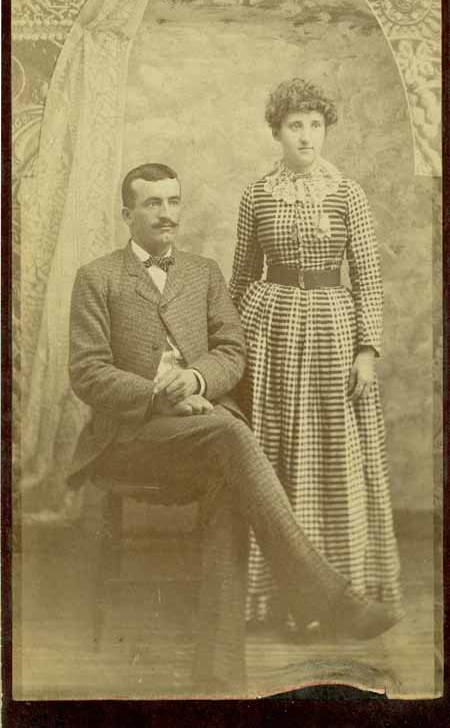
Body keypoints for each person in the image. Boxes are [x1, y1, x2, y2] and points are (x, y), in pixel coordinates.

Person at [67, 161, 399, 696]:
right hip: (130, 439)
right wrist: (157, 392)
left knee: (228, 472)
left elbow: (232, 351)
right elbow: (86, 371)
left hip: (201, 432)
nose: (166, 213)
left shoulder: (204, 272)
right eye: (152, 203)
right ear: (127, 213)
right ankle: (322, 593)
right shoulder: (97, 277)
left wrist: (197, 379)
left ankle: (218, 675)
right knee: (231, 435)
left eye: (174, 201)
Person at [229, 78, 403, 637]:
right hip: (269, 333)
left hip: (333, 330)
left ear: (325, 130)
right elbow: (238, 278)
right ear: (277, 131)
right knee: (274, 458)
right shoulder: (257, 194)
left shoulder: (346, 192)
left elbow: (370, 281)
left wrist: (368, 350)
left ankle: (340, 590)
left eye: (315, 125)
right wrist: (230, 355)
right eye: (295, 126)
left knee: (331, 459)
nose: (306, 136)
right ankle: (279, 600)